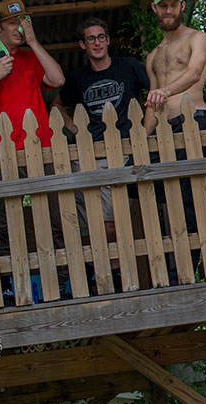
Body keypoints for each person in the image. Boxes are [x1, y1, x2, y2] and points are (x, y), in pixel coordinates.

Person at [57, 17, 153, 241]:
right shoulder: (78, 77)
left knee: (113, 222)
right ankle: (97, 272)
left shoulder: (128, 66)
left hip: (125, 150)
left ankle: (116, 272)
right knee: (88, 222)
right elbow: (57, 105)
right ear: (83, 44)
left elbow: (157, 91)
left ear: (108, 40)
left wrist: (144, 129)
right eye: (91, 38)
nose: (97, 43)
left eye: (101, 37)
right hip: (91, 153)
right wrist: (73, 127)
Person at [0, 0, 64, 152]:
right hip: (4, 151)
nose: (19, 29)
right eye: (12, 23)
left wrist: (33, 42)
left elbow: (58, 80)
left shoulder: (32, 57)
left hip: (41, 147)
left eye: (22, 22)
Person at [145, 0, 206, 134]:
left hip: (195, 119)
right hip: (163, 131)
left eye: (173, 5)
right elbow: (152, 103)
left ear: (182, 6)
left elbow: (195, 73)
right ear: (154, 8)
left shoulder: (197, 38)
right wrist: (143, 138)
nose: (168, 11)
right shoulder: (152, 56)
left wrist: (165, 91)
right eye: (163, 6)